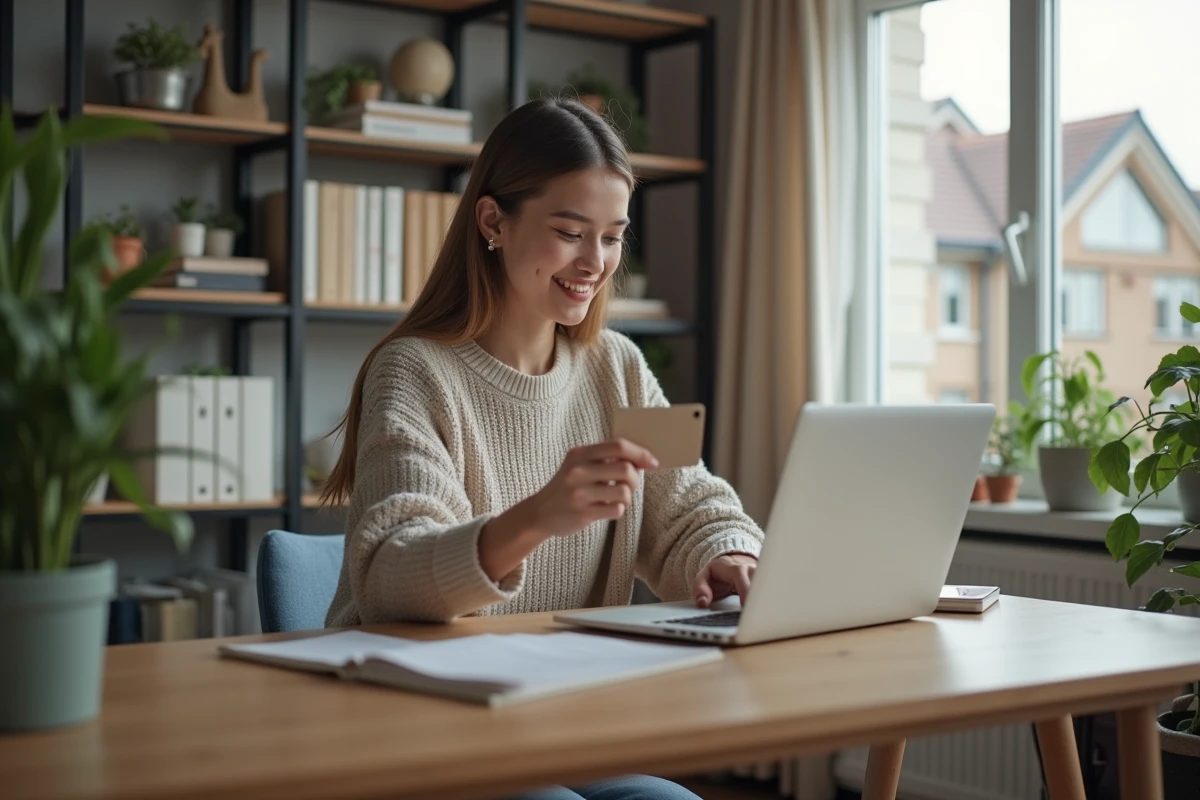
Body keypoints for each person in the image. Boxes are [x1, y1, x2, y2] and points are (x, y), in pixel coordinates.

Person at [320, 97, 765, 800]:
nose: (596, 262)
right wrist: (535, 518)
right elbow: (391, 577)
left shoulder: (616, 366)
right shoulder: (414, 370)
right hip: (422, 731)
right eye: (570, 232)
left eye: (614, 237)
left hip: (569, 726)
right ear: (493, 221)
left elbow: (688, 508)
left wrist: (730, 554)